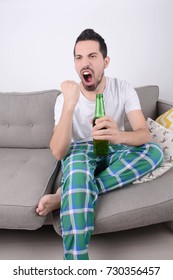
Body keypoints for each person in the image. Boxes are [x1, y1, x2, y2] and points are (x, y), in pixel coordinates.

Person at [36, 28, 163, 260]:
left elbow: (144, 135)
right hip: (80, 150)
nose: (85, 63)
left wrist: (119, 136)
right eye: (79, 57)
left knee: (155, 152)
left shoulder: (123, 88)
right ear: (75, 63)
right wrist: (69, 105)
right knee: (76, 173)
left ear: (105, 61)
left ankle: (67, 194)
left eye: (92, 56)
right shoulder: (65, 98)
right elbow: (57, 151)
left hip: (114, 147)